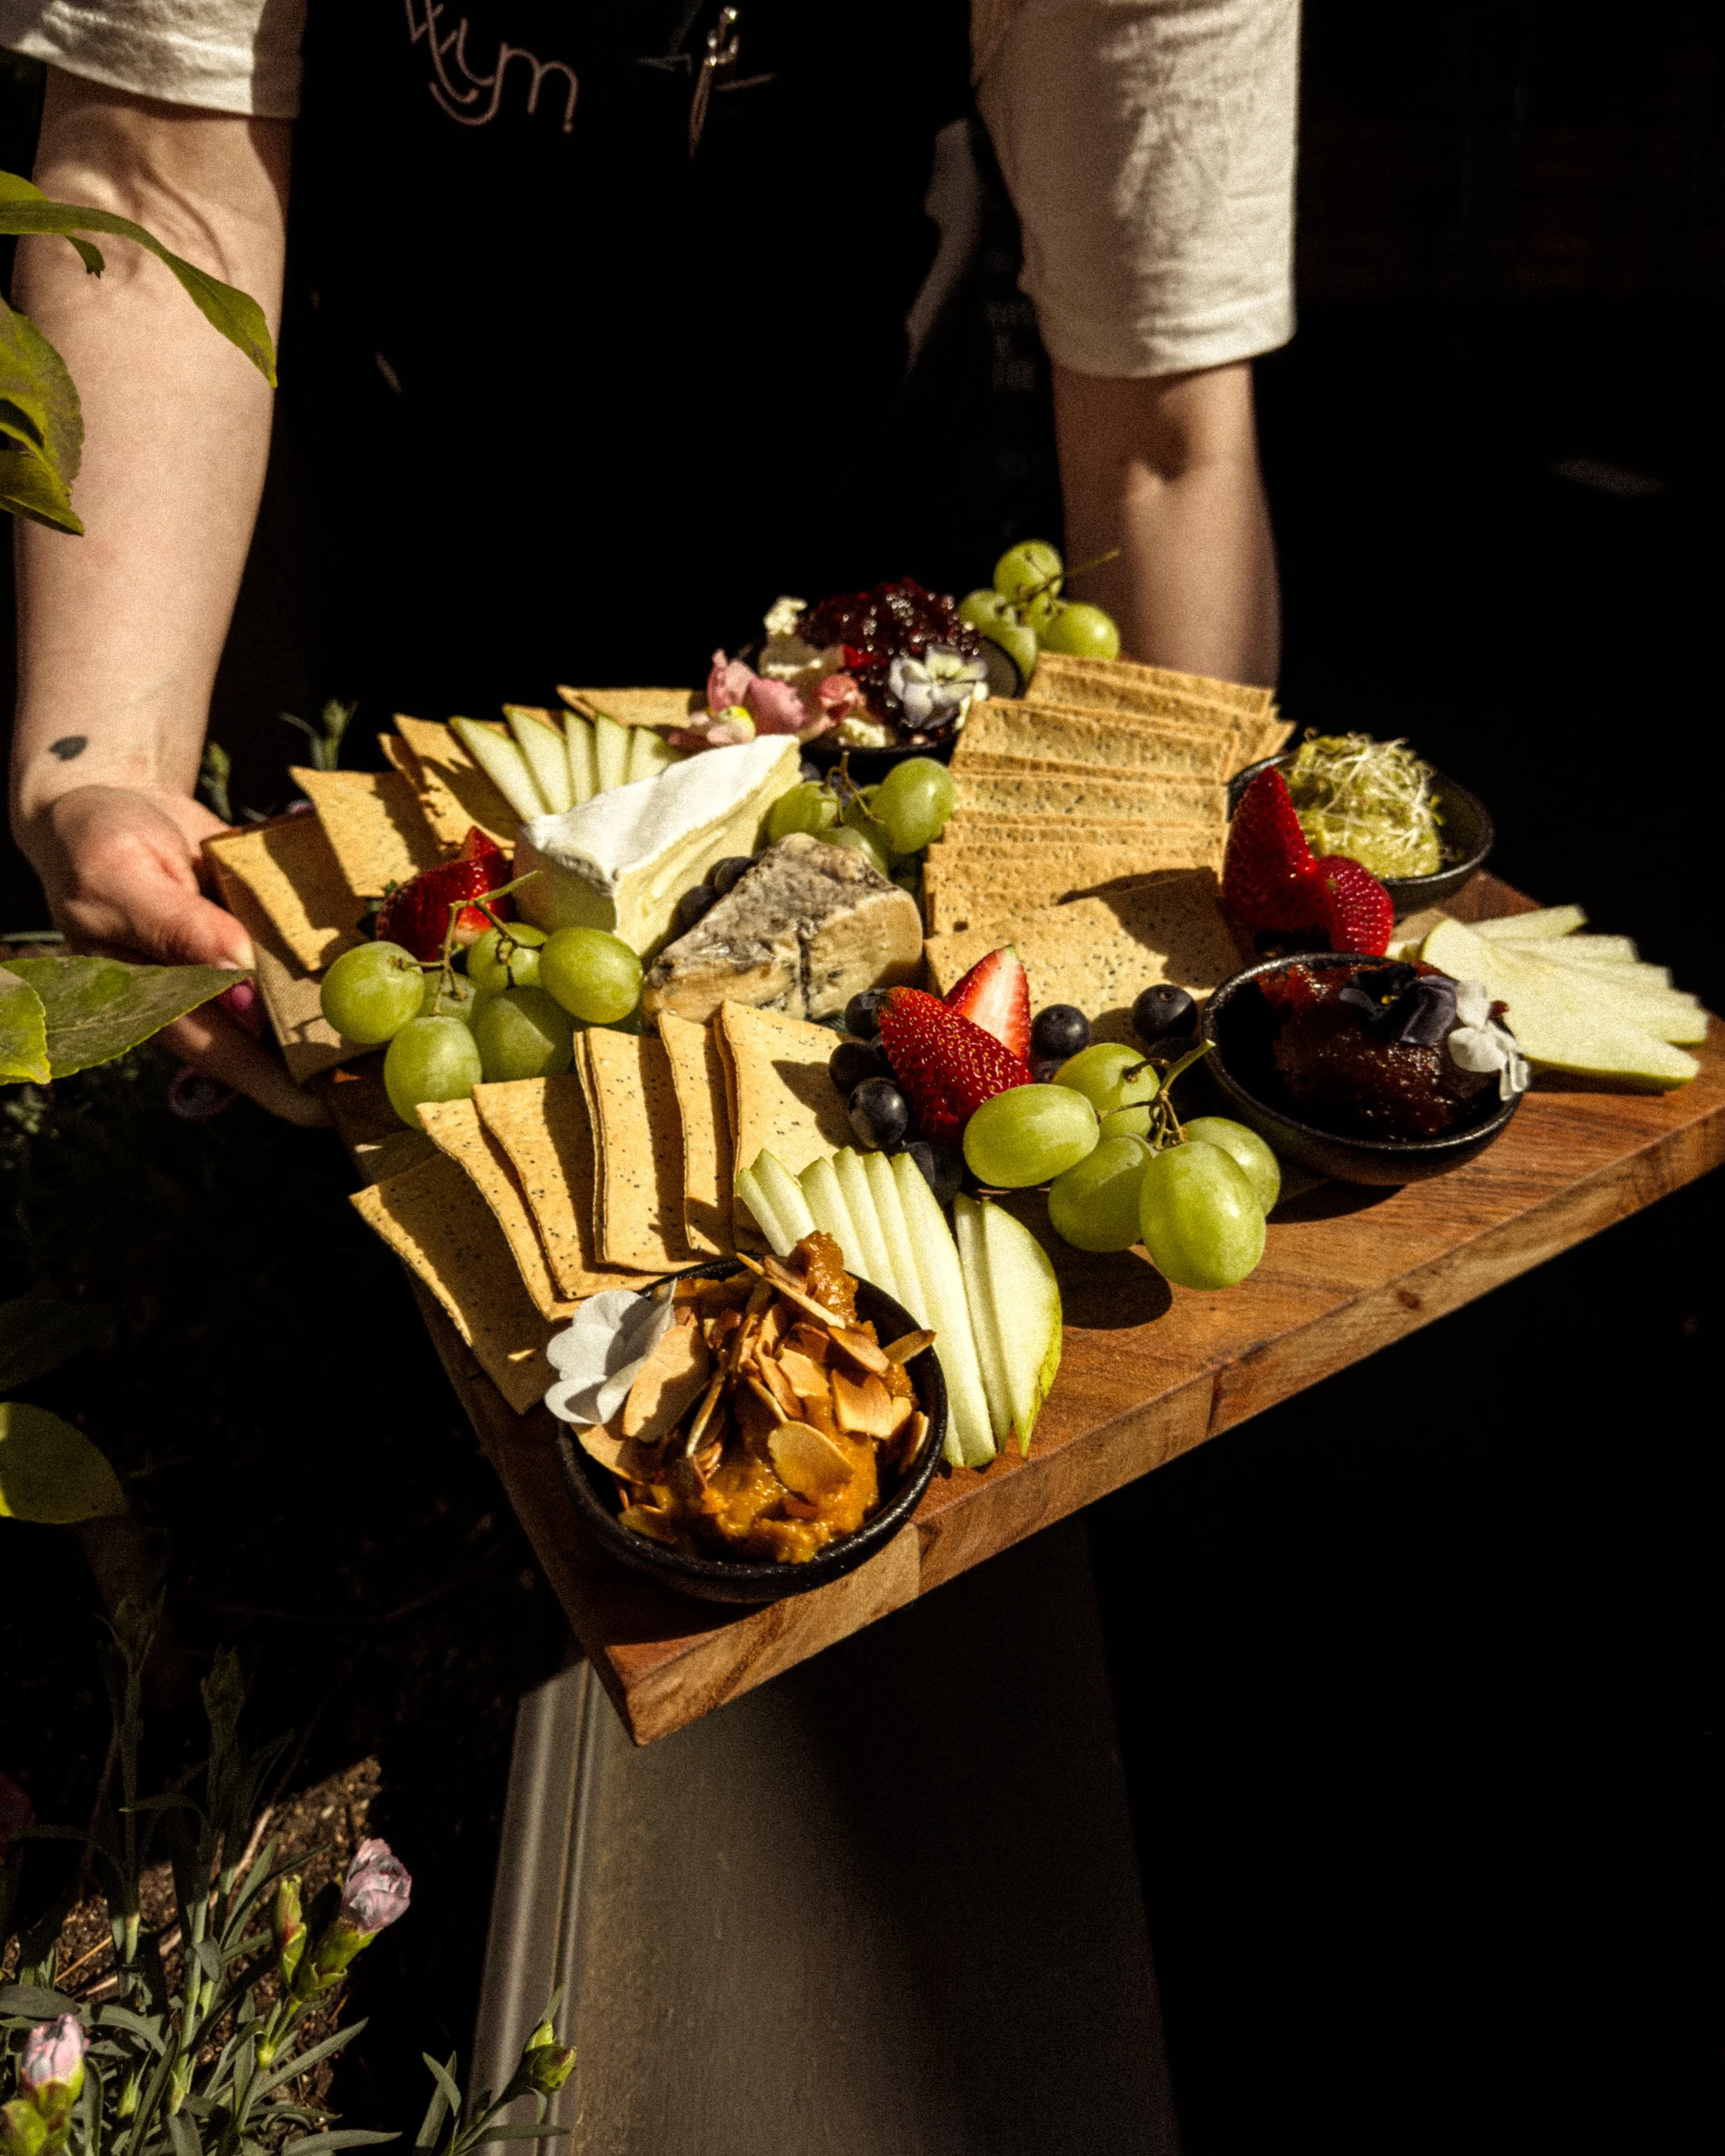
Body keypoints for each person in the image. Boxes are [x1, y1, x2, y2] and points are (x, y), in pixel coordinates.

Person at [1, 1, 1298, 1118]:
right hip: (371, 491)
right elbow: (149, 190)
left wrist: (1171, 964)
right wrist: (99, 765)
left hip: (846, 603)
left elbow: (1164, 447)